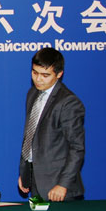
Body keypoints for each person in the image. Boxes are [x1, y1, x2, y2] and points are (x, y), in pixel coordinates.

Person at [18, 47, 85, 201]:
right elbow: (31, 135)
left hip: (60, 188)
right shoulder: (32, 93)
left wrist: (63, 184)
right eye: (34, 72)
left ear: (59, 74)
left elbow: (77, 148)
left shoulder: (68, 102)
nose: (38, 79)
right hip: (36, 182)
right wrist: (25, 173)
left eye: (45, 75)